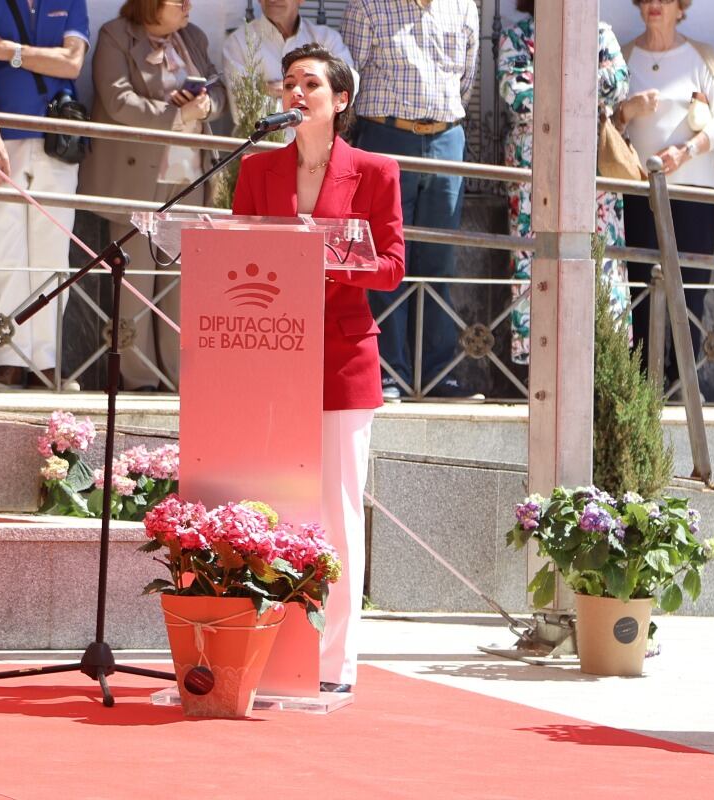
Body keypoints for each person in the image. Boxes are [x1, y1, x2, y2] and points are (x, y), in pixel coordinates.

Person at [231, 43, 404, 693]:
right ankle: (270, 651)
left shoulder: (374, 170)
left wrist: (326, 260)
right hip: (270, 354)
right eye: (288, 84)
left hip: (341, 355)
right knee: (271, 506)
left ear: (341, 100)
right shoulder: (255, 171)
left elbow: (391, 266)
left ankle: (335, 660)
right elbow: (235, 250)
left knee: (336, 511)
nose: (296, 94)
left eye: (311, 83)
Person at [81, 0, 225, 392]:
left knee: (182, 284)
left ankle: (180, 379)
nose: (188, 7)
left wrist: (207, 105)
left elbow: (218, 86)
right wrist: (177, 116)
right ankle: (139, 378)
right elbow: (117, 100)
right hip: (137, 178)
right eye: (178, 1)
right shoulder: (116, 35)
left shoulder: (191, 37)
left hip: (190, 175)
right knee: (136, 283)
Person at [341, 0, 482, 401]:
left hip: (446, 137)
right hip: (386, 136)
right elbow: (350, 80)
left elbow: (466, 80)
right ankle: (387, 372)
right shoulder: (367, 6)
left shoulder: (464, 7)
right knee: (386, 257)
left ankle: (439, 374)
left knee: (440, 259)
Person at [616, 0, 714, 394]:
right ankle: (643, 382)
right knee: (640, 285)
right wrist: (627, 110)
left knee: (690, 290)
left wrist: (687, 150)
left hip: (693, 193)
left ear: (680, 6)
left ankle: (685, 382)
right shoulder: (625, 55)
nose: (655, 5)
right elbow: (604, 122)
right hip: (639, 191)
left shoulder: (700, 55)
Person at [497, 0, 630, 365]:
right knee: (536, 256)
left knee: (599, 258)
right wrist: (585, 83)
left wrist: (557, 79)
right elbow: (516, 92)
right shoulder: (518, 35)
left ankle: (602, 357)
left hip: (592, 164)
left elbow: (620, 82)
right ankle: (536, 364)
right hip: (535, 163)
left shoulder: (600, 33)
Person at [0, 0, 90, 391]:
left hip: (57, 142)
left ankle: (45, 364)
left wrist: (10, 51)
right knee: (6, 252)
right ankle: (7, 360)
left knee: (52, 254)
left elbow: (72, 63)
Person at [221, 0, 355, 128]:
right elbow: (244, 112)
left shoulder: (327, 39)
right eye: (289, 86)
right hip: (263, 148)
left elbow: (349, 84)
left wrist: (266, 91)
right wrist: (313, 96)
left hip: (317, 148)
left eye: (312, 84)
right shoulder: (238, 43)